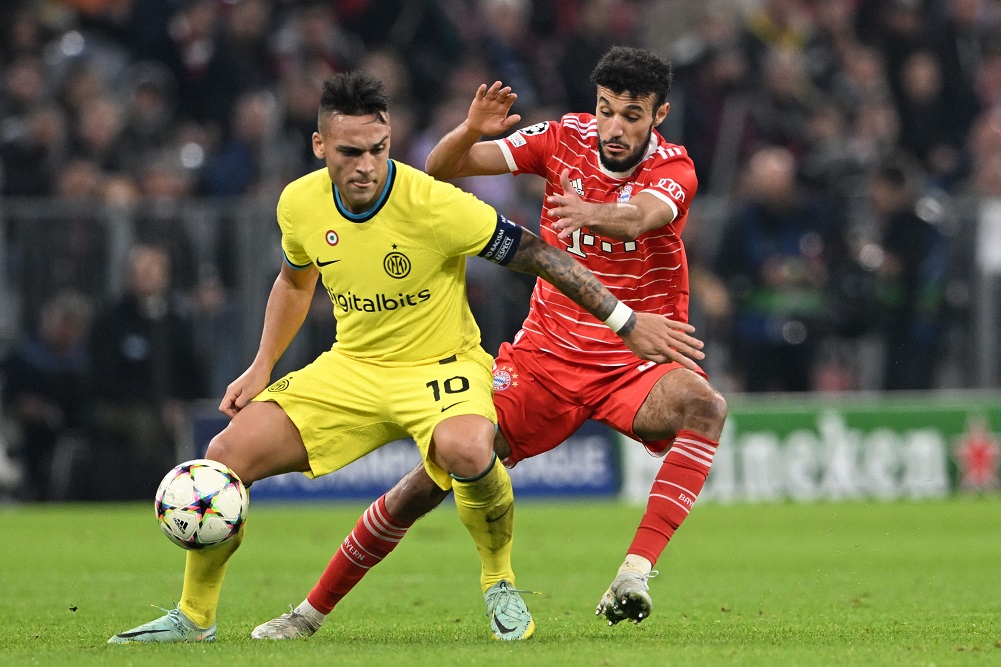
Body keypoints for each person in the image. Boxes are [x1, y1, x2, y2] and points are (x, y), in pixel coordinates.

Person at [109, 69, 704, 644]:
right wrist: (262, 364)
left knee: (467, 450)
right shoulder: (298, 204)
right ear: (319, 146)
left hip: (442, 368)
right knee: (222, 459)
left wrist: (624, 322)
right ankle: (195, 616)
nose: (366, 165)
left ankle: (499, 582)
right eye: (350, 152)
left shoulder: (434, 205)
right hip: (352, 368)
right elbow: (294, 281)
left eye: (378, 149)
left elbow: (542, 255)